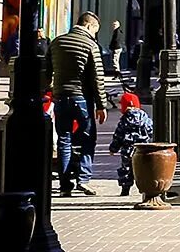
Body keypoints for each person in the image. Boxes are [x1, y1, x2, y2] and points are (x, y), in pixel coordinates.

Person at [44, 12, 109, 197]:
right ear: (89, 26)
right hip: (82, 98)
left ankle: (65, 184)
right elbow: (98, 78)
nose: (95, 35)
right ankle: (84, 179)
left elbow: (46, 71)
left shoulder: (57, 42)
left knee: (64, 139)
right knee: (88, 138)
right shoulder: (90, 44)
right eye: (96, 31)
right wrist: (101, 105)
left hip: (60, 98)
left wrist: (50, 89)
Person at [107, 92, 153, 197]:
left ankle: (125, 188)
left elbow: (118, 135)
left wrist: (113, 149)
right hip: (143, 148)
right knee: (142, 169)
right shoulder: (145, 117)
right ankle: (145, 188)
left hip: (127, 149)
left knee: (126, 169)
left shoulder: (124, 119)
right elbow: (150, 130)